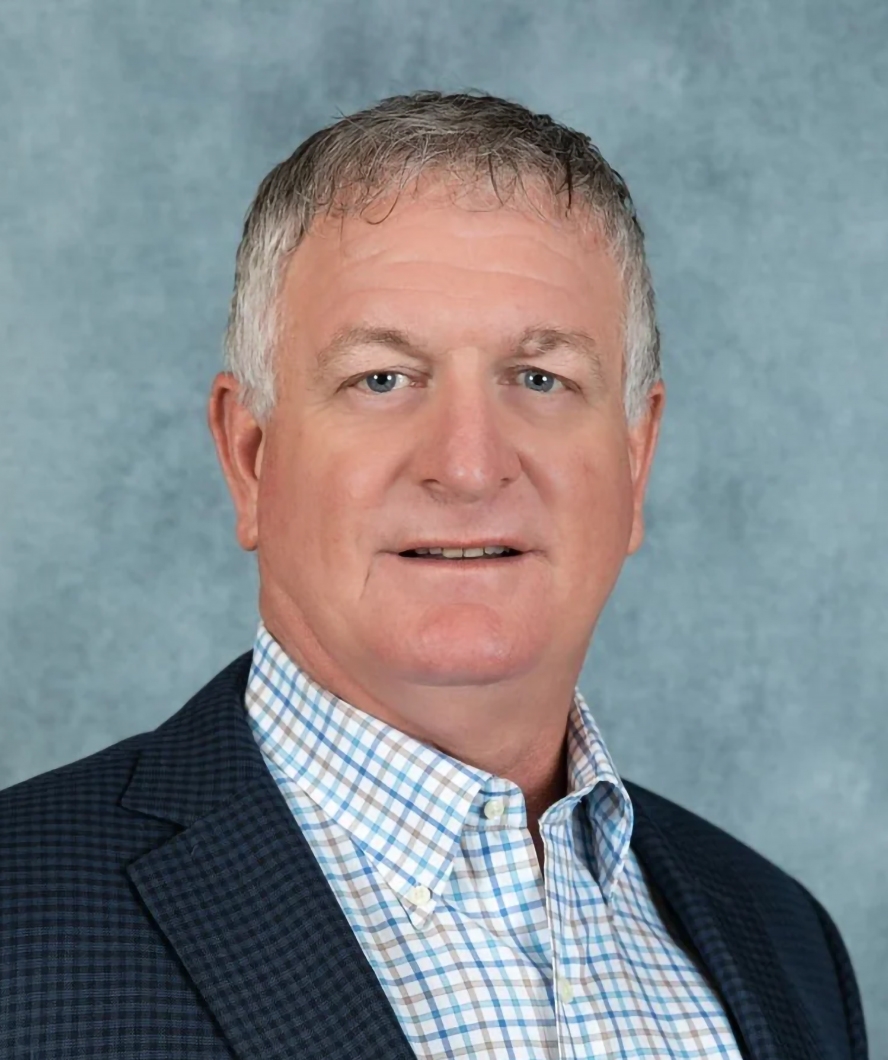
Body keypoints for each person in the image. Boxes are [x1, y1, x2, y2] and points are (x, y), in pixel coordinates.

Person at [0, 91, 867, 1060]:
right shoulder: (18, 918)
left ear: (635, 460)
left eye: (540, 379)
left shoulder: (781, 938)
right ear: (250, 455)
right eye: (382, 378)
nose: (466, 463)